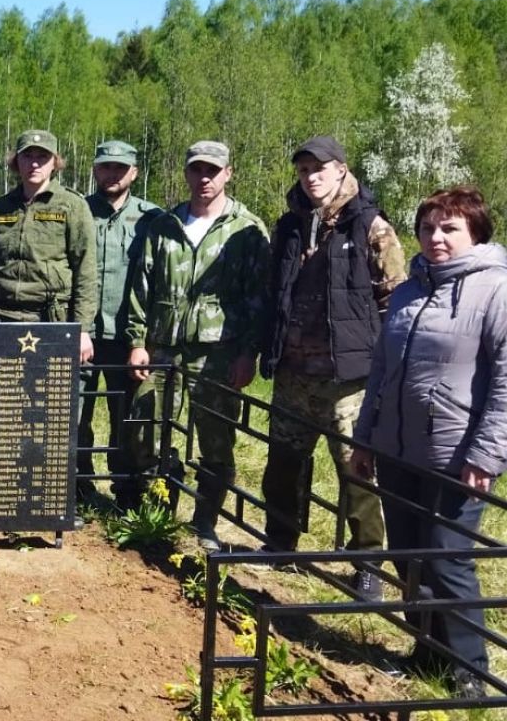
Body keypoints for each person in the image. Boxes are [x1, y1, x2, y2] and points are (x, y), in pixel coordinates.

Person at [352, 187, 506, 699]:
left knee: (447, 558)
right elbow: (382, 371)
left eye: (450, 229)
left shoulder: (497, 290)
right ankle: (427, 652)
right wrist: (366, 438)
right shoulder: (408, 290)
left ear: (476, 234)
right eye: (428, 228)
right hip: (396, 448)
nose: (436, 239)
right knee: (410, 555)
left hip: (456, 455)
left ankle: (471, 672)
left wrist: (486, 453)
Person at [259, 135, 405, 599]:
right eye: (304, 170)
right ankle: (280, 543)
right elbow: (274, 293)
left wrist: (388, 375)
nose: (312, 177)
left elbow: (393, 303)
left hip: (350, 379)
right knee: (282, 462)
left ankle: (367, 566)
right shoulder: (289, 226)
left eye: (320, 168)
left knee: (358, 473)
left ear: (341, 169)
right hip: (293, 372)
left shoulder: (371, 227)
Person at [126, 141, 270, 551]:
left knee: (215, 442)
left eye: (213, 170)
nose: (204, 178)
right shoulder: (164, 225)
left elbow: (258, 297)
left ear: (228, 173)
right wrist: (138, 341)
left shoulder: (246, 229)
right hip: (164, 347)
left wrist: (248, 353)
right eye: (197, 170)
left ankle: (204, 523)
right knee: (150, 432)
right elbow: (142, 286)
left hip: (217, 354)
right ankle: (159, 516)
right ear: (186, 173)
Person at [78, 140, 161, 509]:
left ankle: (127, 490)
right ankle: (75, 484)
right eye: (105, 166)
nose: (112, 173)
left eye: (120, 167)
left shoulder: (152, 218)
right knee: (74, 411)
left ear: (134, 172)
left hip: (127, 335)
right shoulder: (77, 210)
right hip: (81, 332)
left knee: (125, 416)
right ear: (96, 169)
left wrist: (143, 336)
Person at [0, 130, 96, 365]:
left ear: (55, 162)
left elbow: (85, 270)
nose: (34, 164)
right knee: (7, 398)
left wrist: (83, 329)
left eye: (42, 157)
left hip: (51, 319)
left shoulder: (72, 205)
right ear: (16, 162)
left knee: (49, 398)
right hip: (5, 317)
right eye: (27, 156)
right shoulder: (3, 206)